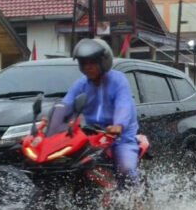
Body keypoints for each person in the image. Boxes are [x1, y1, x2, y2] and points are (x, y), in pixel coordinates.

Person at [49, 38, 140, 188]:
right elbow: (66, 104)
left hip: (120, 137)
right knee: (68, 165)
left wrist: (118, 125)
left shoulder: (119, 80)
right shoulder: (81, 84)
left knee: (126, 168)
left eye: (92, 63)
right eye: (84, 63)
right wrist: (51, 122)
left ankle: (138, 200)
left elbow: (123, 105)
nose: (87, 67)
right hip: (92, 137)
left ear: (104, 61)